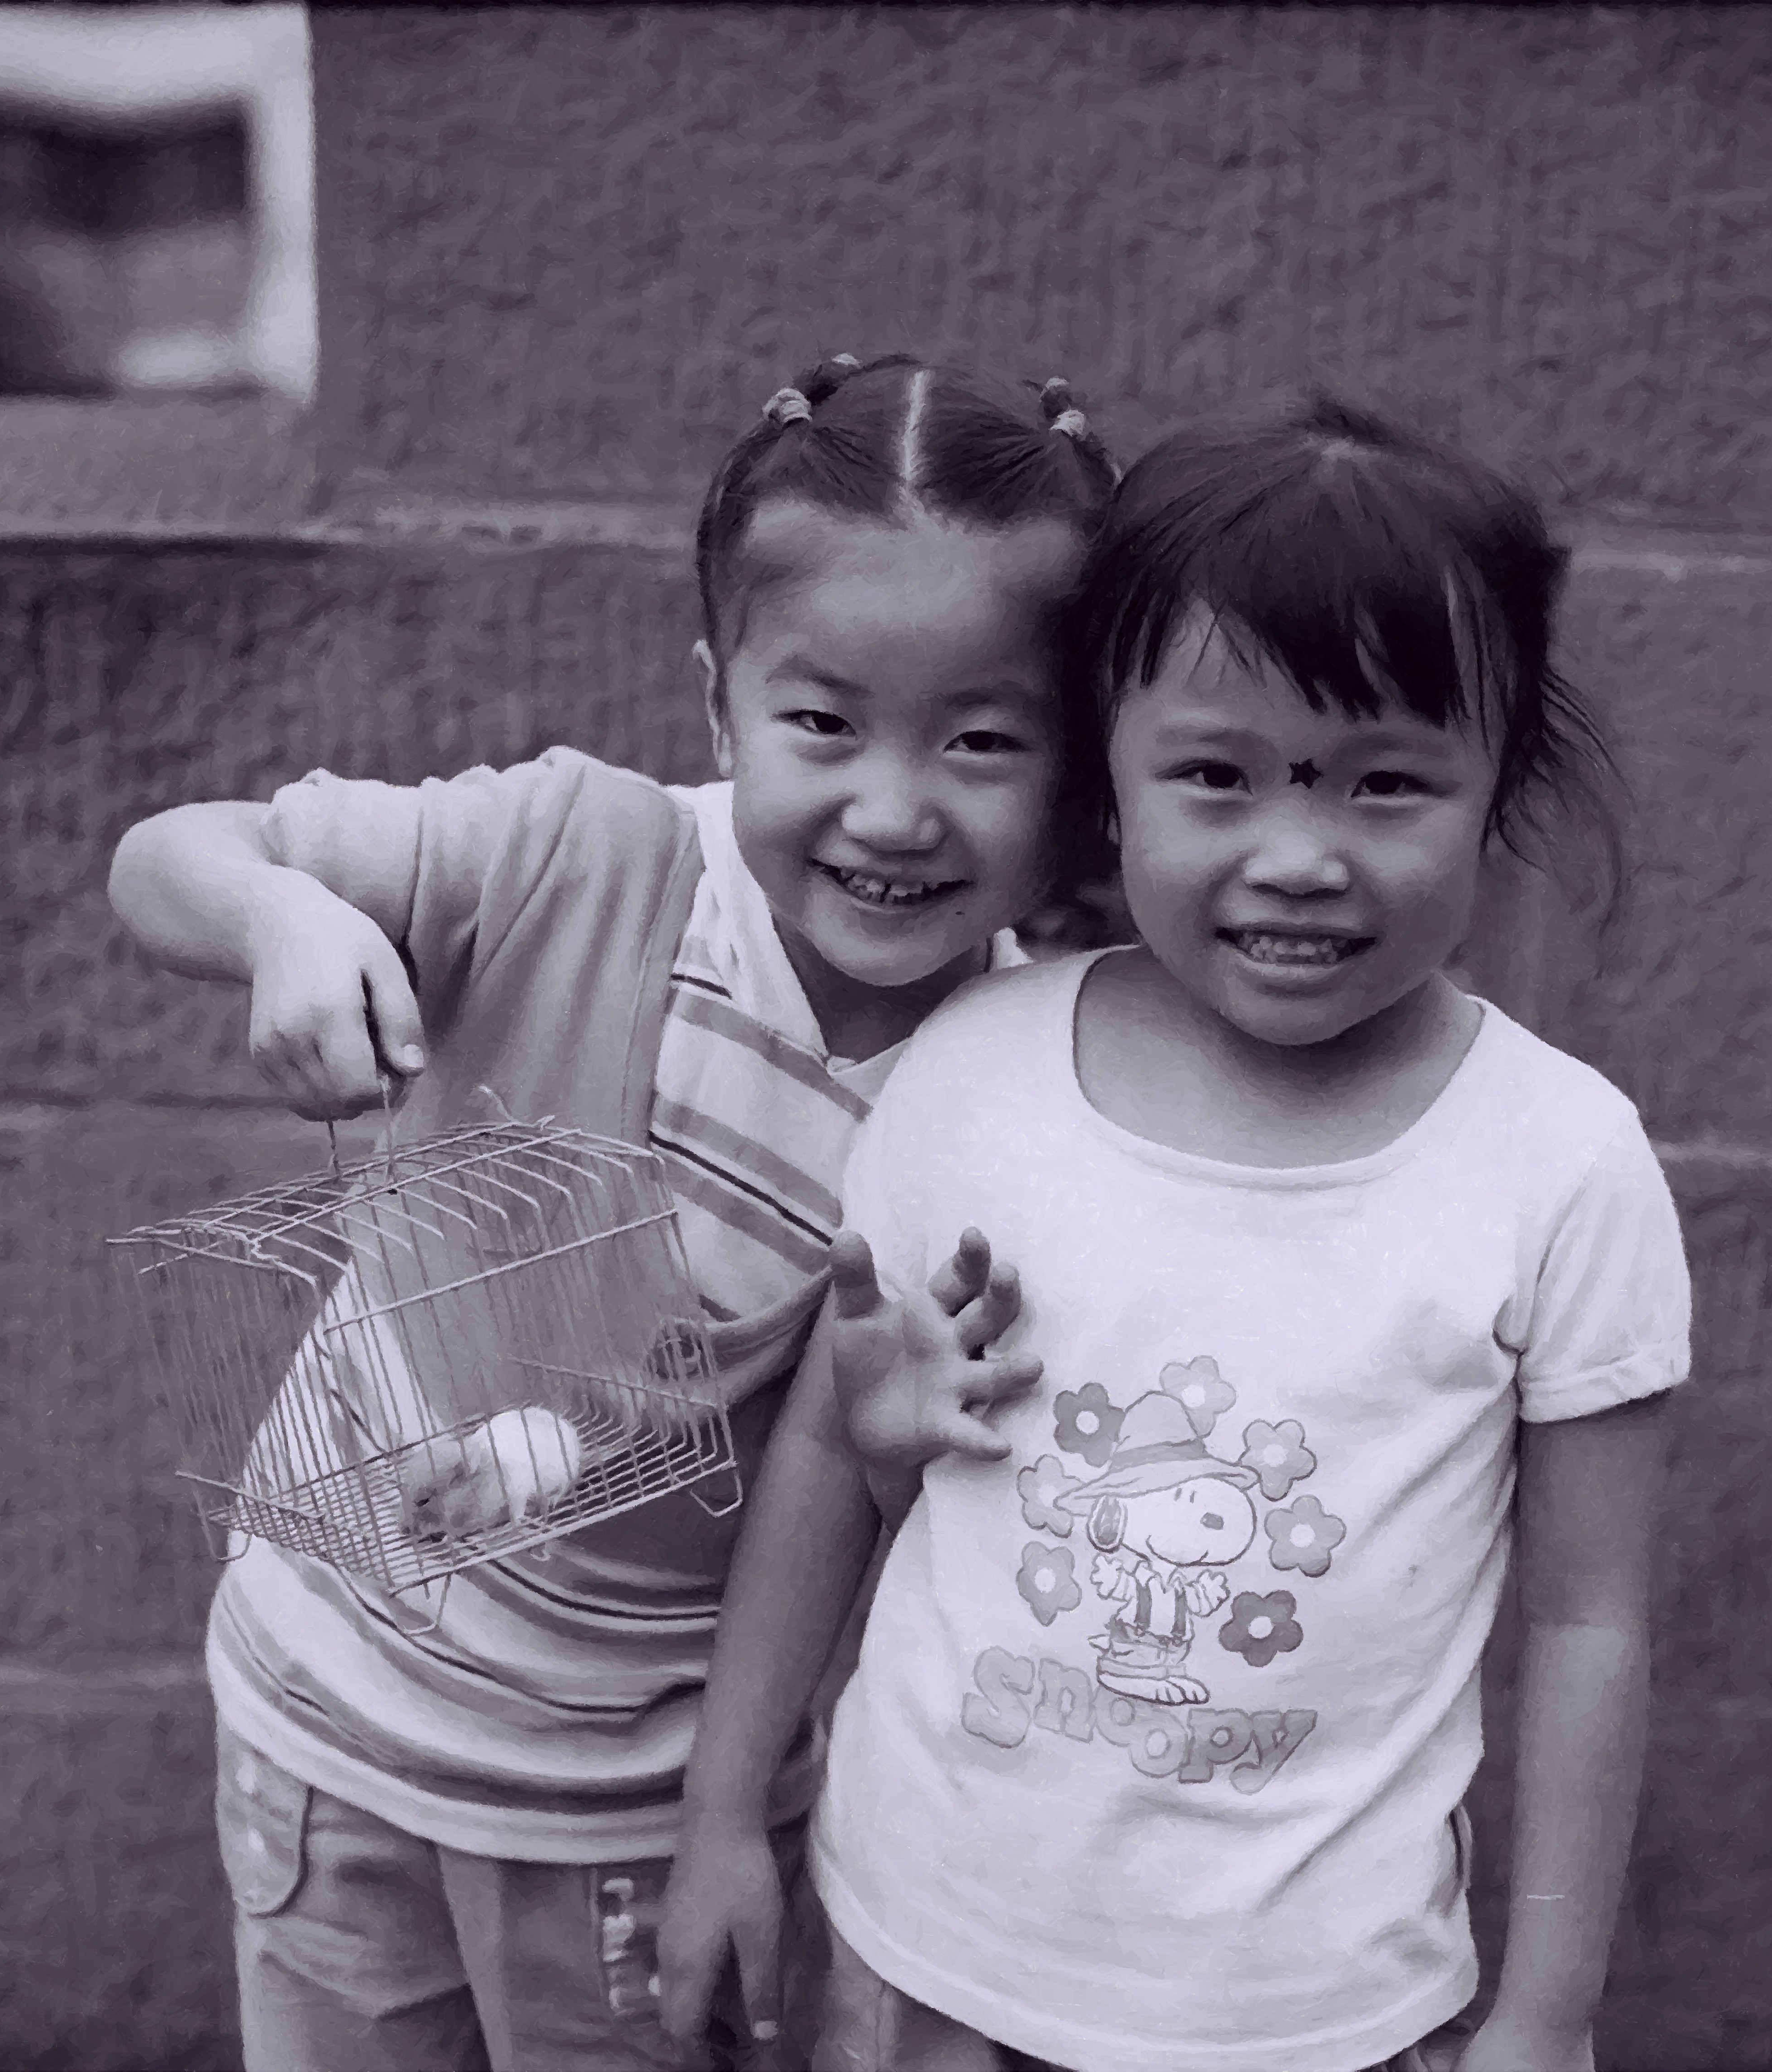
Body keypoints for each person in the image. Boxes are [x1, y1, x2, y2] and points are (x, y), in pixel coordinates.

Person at [105, 352, 1115, 2072]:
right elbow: (167, 857)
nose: (891, 806)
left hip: (638, 1826)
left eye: (982, 741)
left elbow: (842, 1485)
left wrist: (731, 1826)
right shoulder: (571, 851)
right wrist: (279, 919)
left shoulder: (1018, 1088)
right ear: (719, 703)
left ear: (1082, 768)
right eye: (823, 723)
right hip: (316, 1718)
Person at [661, 392, 1690, 2072]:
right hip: (919, 1965)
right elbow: (834, 1463)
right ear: (1108, 779)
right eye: (1216, 775)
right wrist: (721, 1820)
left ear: (1495, 787)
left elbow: (1592, 1625)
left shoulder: (1561, 1167)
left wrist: (1550, 2011)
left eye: (1387, 784)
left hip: (1314, 2021)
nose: (1299, 856)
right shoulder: (972, 1071)